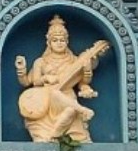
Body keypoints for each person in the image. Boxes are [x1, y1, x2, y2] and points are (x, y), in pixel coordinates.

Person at [15, 15, 109, 143]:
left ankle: (55, 134)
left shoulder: (74, 61)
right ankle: (80, 111)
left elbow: (83, 83)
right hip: (47, 101)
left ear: (67, 41)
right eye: (55, 40)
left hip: (67, 99)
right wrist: (24, 70)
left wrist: (87, 75)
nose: (59, 43)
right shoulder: (41, 62)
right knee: (54, 93)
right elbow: (29, 82)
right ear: (49, 43)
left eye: (62, 40)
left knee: (71, 113)